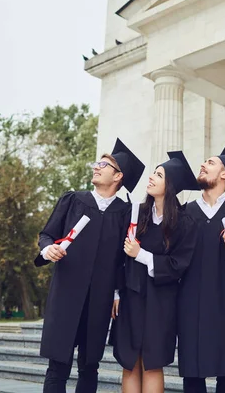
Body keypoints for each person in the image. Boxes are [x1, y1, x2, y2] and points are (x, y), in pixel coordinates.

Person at [34, 138, 144, 393]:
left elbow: (123, 260)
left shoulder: (126, 212)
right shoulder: (73, 200)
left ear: (118, 177)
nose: (96, 167)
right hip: (66, 294)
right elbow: (47, 234)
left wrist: (118, 292)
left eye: (104, 165)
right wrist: (48, 249)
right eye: (97, 163)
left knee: (89, 366)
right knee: (57, 366)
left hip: (100, 298)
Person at [111, 151, 199, 393]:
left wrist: (140, 254)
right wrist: (116, 293)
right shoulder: (136, 214)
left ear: (169, 185)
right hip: (131, 296)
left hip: (162, 301)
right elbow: (119, 259)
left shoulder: (184, 223)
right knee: (130, 363)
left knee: (152, 363)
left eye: (158, 175)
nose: (151, 177)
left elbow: (179, 265)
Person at [177, 141, 225, 393]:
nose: (202, 165)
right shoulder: (185, 211)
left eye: (210, 162)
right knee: (192, 375)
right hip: (190, 301)